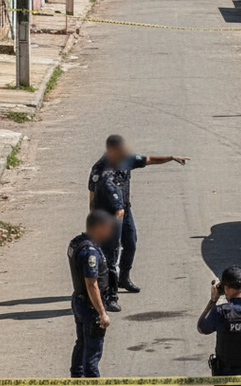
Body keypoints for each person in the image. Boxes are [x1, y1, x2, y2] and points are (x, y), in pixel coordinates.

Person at [88, 134, 189, 311]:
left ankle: (124, 278)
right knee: (111, 256)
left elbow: (148, 160)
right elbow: (92, 196)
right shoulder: (100, 169)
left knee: (131, 243)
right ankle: (110, 295)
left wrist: (171, 157)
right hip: (108, 216)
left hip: (125, 211)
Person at [67, 210, 116, 378]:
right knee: (92, 355)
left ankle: (76, 378)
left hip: (79, 301)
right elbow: (91, 284)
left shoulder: (77, 242)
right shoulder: (90, 252)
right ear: (98, 227)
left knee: (81, 344)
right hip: (90, 307)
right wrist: (102, 313)